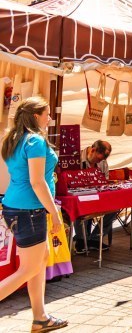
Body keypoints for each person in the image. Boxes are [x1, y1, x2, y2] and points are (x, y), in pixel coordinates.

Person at [0, 97, 68, 332]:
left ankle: (40, 317)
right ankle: (40, 317)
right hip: (29, 210)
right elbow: (38, 182)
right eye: (47, 113)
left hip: (16, 208)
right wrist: (55, 213)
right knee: (29, 268)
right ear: (36, 116)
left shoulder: (14, 139)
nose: (50, 117)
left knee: (39, 261)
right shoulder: (35, 141)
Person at [75, 140, 115, 252]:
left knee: (114, 207)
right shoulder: (74, 159)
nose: (100, 161)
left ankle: (95, 238)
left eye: (102, 160)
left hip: (97, 195)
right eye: (98, 159)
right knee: (81, 205)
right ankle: (81, 240)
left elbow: (105, 180)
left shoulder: (102, 162)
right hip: (80, 197)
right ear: (92, 150)